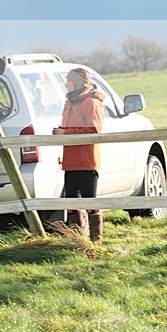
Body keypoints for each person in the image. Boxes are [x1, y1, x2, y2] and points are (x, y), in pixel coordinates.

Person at [53, 68, 105, 242]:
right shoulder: (69, 103)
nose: (66, 84)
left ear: (78, 82)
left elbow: (94, 130)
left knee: (91, 203)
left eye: (69, 80)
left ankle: (95, 242)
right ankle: (77, 241)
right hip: (70, 161)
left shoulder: (91, 102)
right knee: (71, 204)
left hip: (86, 161)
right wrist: (61, 132)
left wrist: (66, 133)